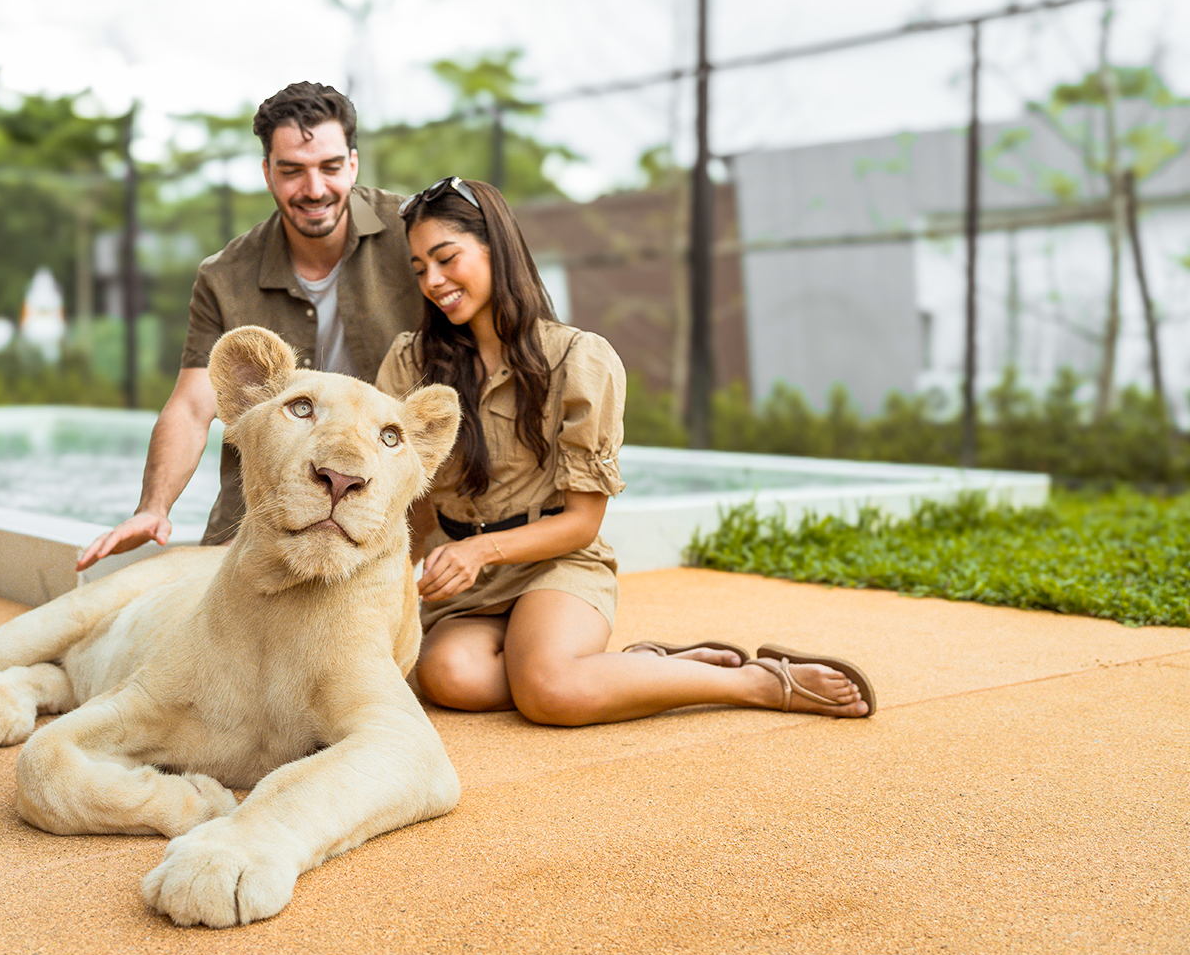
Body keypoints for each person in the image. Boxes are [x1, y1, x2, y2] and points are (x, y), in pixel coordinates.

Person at [377, 176, 875, 726]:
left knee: (550, 692)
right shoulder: (410, 362)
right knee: (449, 677)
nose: (434, 280)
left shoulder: (579, 359)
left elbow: (581, 524)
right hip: (470, 588)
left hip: (555, 563)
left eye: (447, 258)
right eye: (420, 268)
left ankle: (756, 682)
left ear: (498, 247)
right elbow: (410, 500)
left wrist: (479, 553)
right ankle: (639, 670)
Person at [78, 82, 424, 568]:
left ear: (352, 164)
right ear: (267, 173)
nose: (314, 189)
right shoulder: (223, 276)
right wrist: (152, 509)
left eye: (329, 167)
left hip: (393, 509)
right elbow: (193, 408)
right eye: (292, 171)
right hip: (264, 515)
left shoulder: (417, 233)